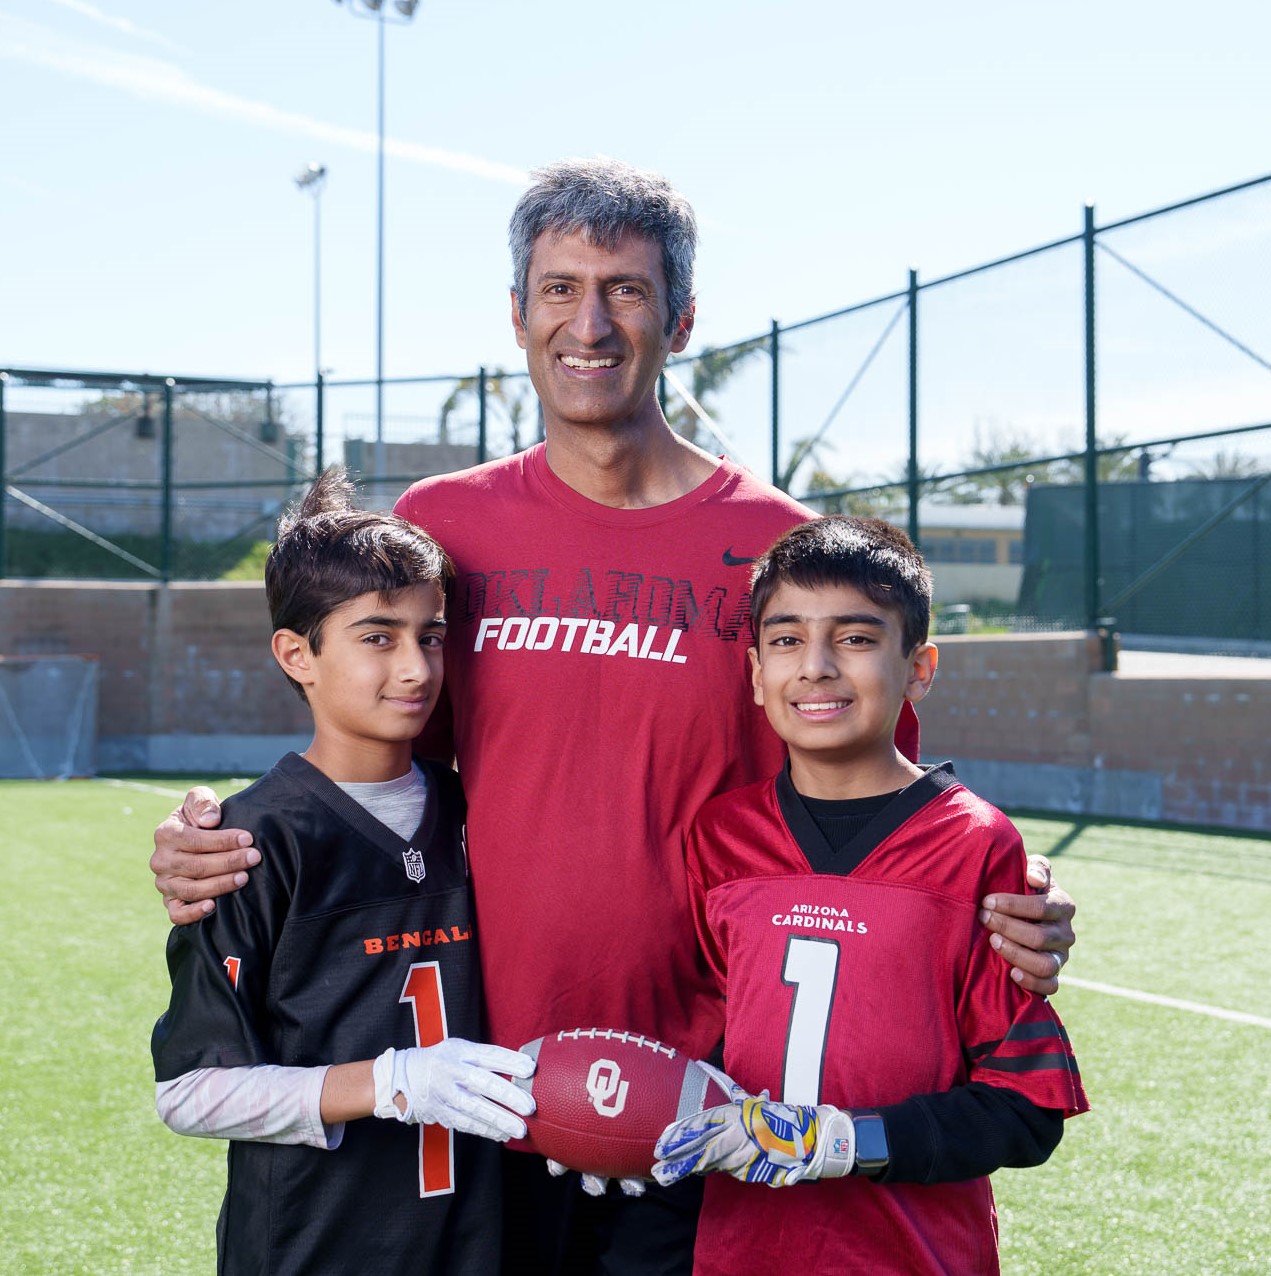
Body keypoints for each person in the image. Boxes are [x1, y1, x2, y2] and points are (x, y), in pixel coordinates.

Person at [149, 160, 1077, 1275]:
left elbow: (871, 809)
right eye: (557, 288)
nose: (587, 323)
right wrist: (224, 841)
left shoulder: (776, 550)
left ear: (679, 319)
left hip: (704, 1099)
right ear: (515, 311)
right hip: (484, 1083)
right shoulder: (445, 528)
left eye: (625, 291)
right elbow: (382, 763)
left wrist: (1011, 906)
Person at [651, 515, 1088, 1275]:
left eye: (854, 639)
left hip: (909, 1255)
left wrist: (840, 1142)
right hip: (742, 1252)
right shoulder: (720, 837)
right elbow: (714, 1041)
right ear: (755, 673)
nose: (815, 667)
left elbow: (1024, 1109)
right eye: (786, 640)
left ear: (919, 667)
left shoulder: (976, 845)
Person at [150, 469, 537, 1276]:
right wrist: (389, 1082)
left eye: (429, 635)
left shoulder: (477, 809)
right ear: (298, 654)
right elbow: (189, 1092)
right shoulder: (250, 841)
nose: (414, 666)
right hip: (315, 1243)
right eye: (377, 636)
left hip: (473, 1238)